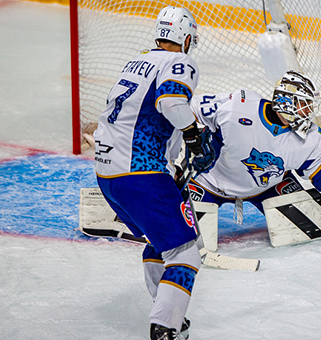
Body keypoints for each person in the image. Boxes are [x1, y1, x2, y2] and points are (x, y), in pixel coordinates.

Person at [92, 6, 215, 339]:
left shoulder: (138, 60)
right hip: (140, 173)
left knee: (161, 244)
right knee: (186, 251)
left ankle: (168, 313)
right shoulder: (181, 62)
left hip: (107, 175)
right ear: (186, 37)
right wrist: (194, 133)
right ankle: (165, 329)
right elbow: (172, 102)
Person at [180, 70, 321, 229]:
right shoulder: (237, 106)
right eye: (302, 104)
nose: (307, 112)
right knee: (174, 228)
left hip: (269, 187)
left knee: (311, 219)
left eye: (309, 106)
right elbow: (182, 109)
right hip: (210, 183)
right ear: (285, 101)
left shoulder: (309, 137)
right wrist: (191, 139)